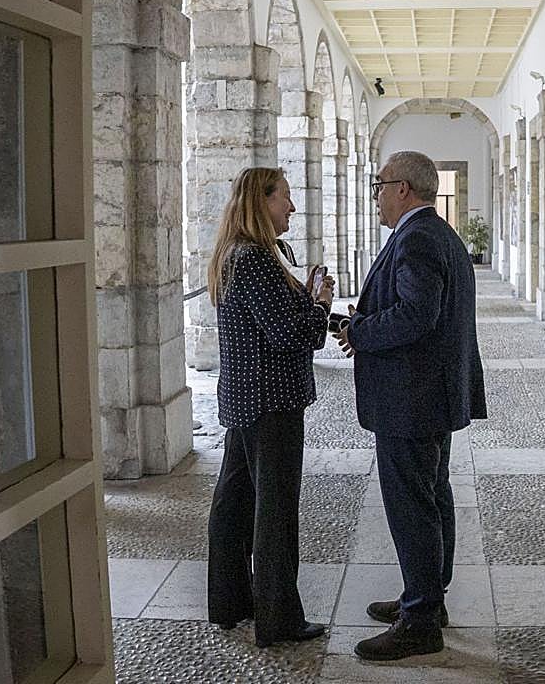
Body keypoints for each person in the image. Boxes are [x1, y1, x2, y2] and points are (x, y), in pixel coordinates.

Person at [335, 150, 486, 662]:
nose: (376, 195)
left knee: (413, 506)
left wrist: (359, 330)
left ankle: (420, 621)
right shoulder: (437, 233)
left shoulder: (418, 236)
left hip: (411, 397)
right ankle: (427, 600)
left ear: (403, 189)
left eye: (380, 185)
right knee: (432, 496)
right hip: (428, 394)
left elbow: (415, 316)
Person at [204, 167, 334, 648]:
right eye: (285, 198)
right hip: (269, 401)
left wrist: (305, 293)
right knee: (274, 513)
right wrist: (319, 305)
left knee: (234, 503)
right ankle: (278, 620)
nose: (292, 207)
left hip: (247, 397)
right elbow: (286, 334)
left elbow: (268, 321)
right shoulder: (254, 258)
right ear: (261, 202)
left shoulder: (239, 255)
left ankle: (231, 602)